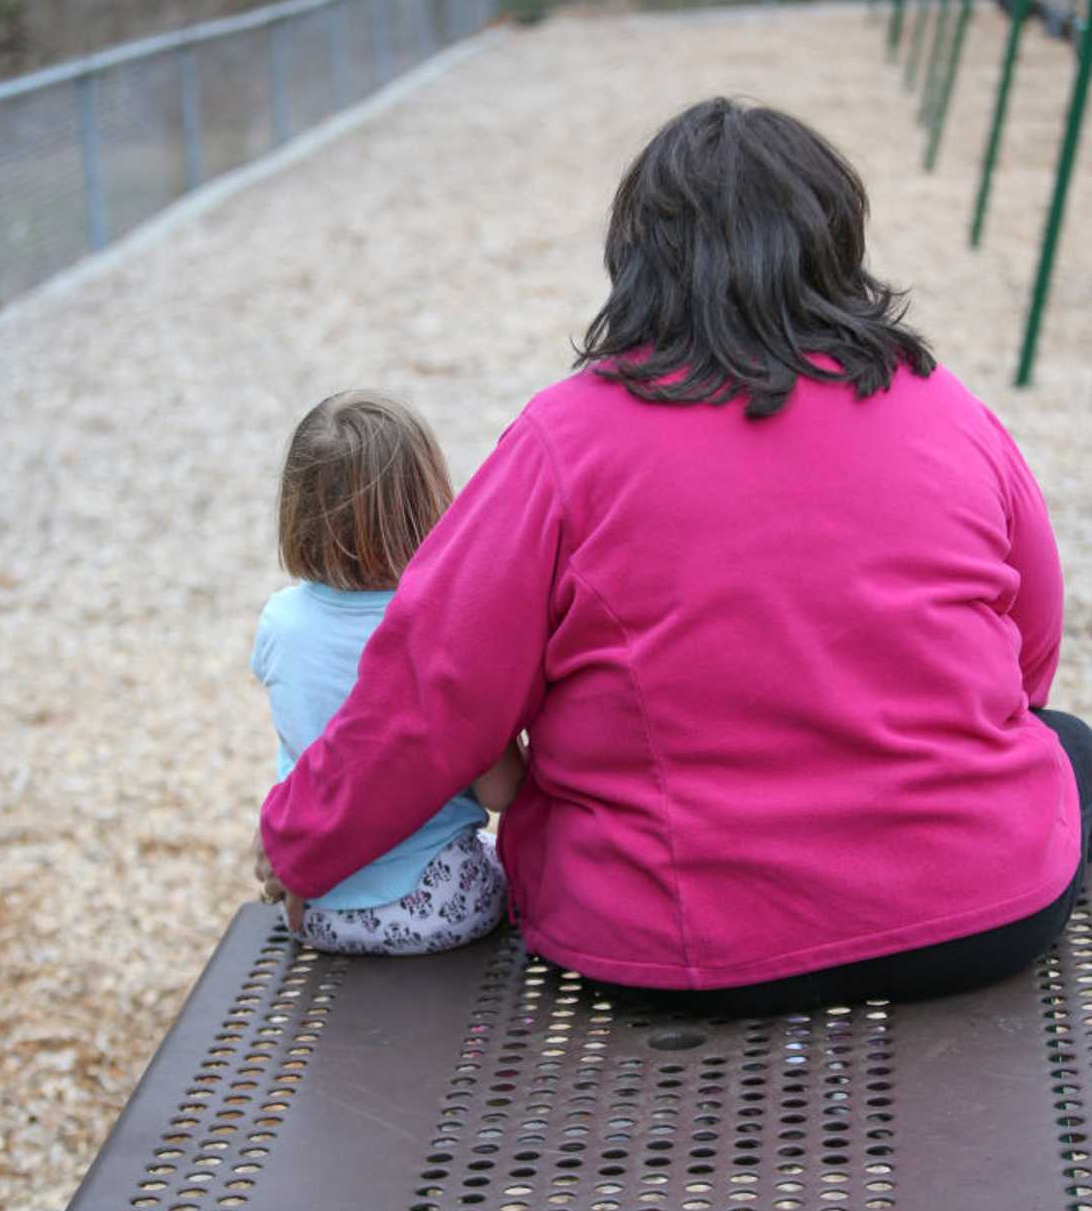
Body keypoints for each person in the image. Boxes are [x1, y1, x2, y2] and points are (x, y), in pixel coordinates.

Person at [257, 97, 1092, 1011]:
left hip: (669, 942)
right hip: (978, 915)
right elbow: (1030, 643)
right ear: (836, 246)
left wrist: (300, 839)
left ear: (637, 262)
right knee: (1067, 745)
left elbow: (435, 689)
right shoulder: (946, 408)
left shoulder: (565, 440)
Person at [251, 390, 523, 955]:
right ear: (430, 498)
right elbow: (502, 790)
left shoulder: (280, 622)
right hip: (441, 904)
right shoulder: (448, 629)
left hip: (317, 908)